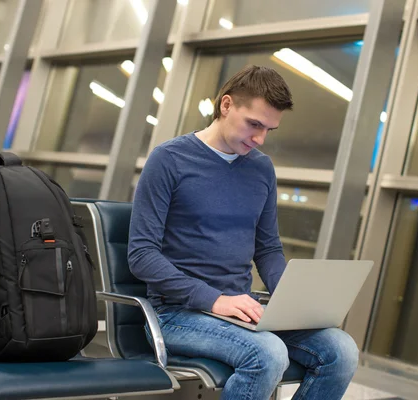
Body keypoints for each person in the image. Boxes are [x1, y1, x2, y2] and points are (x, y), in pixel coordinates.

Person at [128, 65, 359, 400]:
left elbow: (267, 250)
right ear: (226, 105)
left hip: (243, 311)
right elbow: (142, 256)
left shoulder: (261, 168)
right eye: (254, 124)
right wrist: (215, 299)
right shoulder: (169, 160)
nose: (260, 138)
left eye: (269, 129)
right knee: (267, 354)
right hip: (176, 314)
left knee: (341, 351)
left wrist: (293, 301)